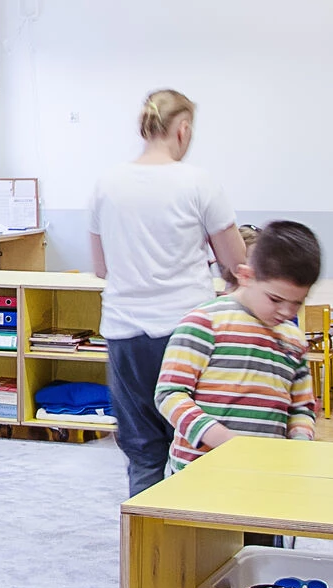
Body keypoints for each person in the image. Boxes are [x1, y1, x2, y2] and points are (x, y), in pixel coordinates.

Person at [87, 89, 247, 495]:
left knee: (143, 450)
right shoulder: (198, 182)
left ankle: (146, 554)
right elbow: (236, 262)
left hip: (125, 333)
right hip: (187, 331)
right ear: (183, 128)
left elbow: (101, 267)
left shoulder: (106, 183)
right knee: (194, 442)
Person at [153, 220, 322, 477]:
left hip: (266, 474)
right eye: (275, 299)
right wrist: (220, 438)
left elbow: (301, 407)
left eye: (297, 303)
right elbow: (170, 394)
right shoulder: (204, 322)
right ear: (245, 276)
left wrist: (299, 443)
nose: (287, 312)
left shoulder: (293, 340)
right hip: (199, 475)